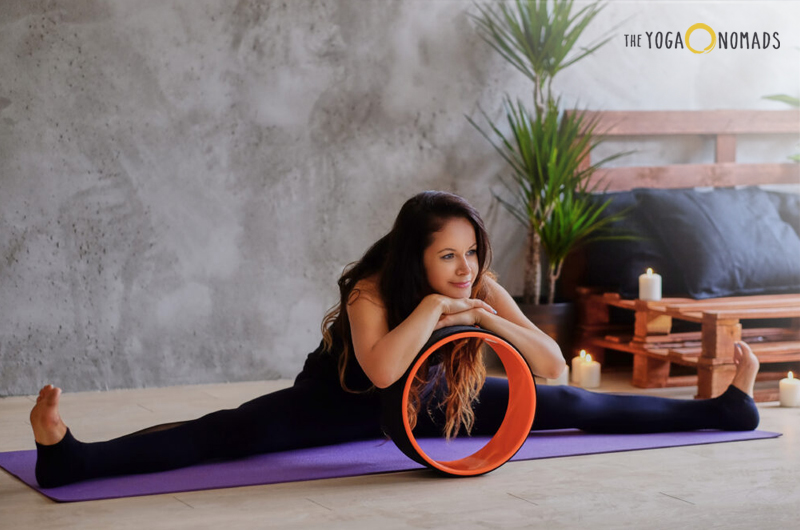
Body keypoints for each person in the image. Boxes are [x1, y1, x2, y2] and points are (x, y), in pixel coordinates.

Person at [29, 191, 761, 488]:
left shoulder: (474, 287)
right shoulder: (373, 290)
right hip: (341, 403)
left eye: (472, 253)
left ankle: (724, 410)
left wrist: (486, 313)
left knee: (574, 404)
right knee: (222, 433)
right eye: (449, 256)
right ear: (415, 254)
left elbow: (544, 362)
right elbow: (381, 371)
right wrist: (435, 315)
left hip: (440, 403)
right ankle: (69, 459)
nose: (465, 268)